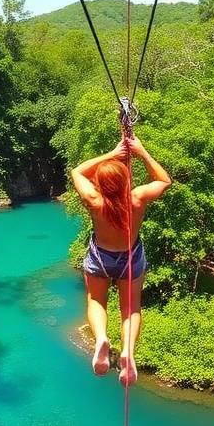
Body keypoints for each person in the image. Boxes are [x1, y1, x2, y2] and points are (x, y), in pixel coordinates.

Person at [71, 136, 171, 387]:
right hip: (130, 258)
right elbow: (164, 180)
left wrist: (112, 153)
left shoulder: (94, 200)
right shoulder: (137, 198)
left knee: (96, 301)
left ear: (101, 184)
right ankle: (127, 349)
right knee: (131, 308)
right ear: (126, 181)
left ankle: (102, 338)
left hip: (101, 258)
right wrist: (141, 152)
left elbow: (77, 171)